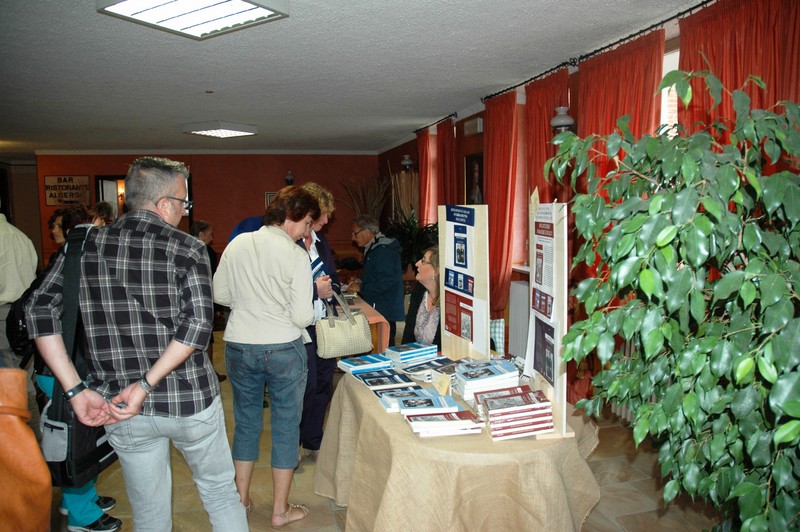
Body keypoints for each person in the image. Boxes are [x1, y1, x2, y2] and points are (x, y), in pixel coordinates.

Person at [25, 157, 248, 531]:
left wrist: (76, 389)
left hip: (118, 405)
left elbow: (38, 312)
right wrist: (146, 384)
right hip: (188, 399)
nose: (183, 210)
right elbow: (197, 328)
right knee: (220, 493)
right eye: (183, 202)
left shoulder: (82, 244)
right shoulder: (189, 248)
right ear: (163, 205)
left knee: (148, 511)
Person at [213, 185, 319, 527]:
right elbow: (303, 317)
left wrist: (249, 304)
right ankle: (280, 510)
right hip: (284, 347)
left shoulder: (238, 243)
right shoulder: (295, 255)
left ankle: (240, 502)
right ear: (294, 217)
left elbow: (220, 294)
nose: (308, 232)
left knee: (246, 424)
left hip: (240, 344)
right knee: (286, 428)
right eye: (308, 224)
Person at [30, 205, 123, 532]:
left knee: (83, 440)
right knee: (74, 442)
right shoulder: (70, 260)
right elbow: (39, 314)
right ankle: (82, 515)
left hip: (71, 363)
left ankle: (78, 499)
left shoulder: (70, 259)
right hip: (64, 366)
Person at [297, 183, 338, 458]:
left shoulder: (322, 244)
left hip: (324, 324)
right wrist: (314, 289)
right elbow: (282, 287)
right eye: (322, 215)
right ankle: (295, 444)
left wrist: (331, 286)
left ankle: (313, 440)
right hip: (300, 326)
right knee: (305, 387)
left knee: (324, 383)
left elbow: (333, 277)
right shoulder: (289, 242)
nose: (326, 221)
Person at [350, 214, 405, 346]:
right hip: (381, 307)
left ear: (367, 231)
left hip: (384, 310)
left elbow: (386, 282)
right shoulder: (376, 248)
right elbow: (377, 276)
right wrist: (361, 281)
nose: (352, 238)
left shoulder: (383, 251)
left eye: (355, 233)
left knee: (384, 347)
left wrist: (361, 288)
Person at [0, 197, 38, 369]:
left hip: (3, 312)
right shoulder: (21, 236)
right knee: (25, 365)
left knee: (8, 371)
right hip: (24, 309)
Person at [190, 220, 226, 382]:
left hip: (189, 299)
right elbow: (212, 279)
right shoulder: (206, 252)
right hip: (205, 299)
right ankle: (210, 372)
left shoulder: (187, 248)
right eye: (210, 234)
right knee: (207, 338)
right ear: (201, 235)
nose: (212, 237)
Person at [402, 246, 442, 349]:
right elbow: (408, 335)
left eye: (423, 261)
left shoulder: (449, 301)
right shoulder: (419, 290)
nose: (417, 264)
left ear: (437, 270)